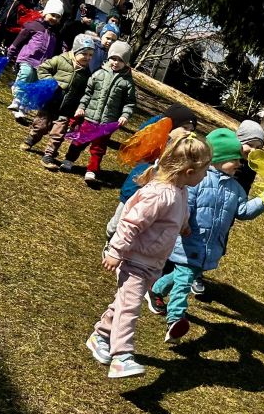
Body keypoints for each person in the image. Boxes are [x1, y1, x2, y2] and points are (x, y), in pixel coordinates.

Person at [85, 130, 212, 380]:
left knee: (124, 303)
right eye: (204, 170)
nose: (206, 175)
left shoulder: (180, 191)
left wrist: (184, 225)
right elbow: (130, 223)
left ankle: (100, 336)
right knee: (130, 307)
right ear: (189, 172)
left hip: (152, 262)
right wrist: (115, 251)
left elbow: (179, 213)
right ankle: (121, 357)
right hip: (134, 260)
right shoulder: (159, 194)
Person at [147, 128, 264, 342]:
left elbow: (242, 212)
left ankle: (155, 290)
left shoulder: (236, 188)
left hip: (210, 247)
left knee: (185, 274)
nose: (240, 164)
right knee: (184, 280)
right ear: (219, 159)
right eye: (235, 159)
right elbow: (185, 204)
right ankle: (175, 319)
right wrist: (183, 223)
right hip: (189, 241)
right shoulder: (199, 181)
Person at [191, 119, 264, 298]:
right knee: (197, 237)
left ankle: (196, 273)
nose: (253, 150)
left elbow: (244, 190)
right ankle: (182, 270)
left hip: (227, 209)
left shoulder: (250, 167)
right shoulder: (221, 157)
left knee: (215, 241)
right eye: (250, 144)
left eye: (259, 147)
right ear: (238, 140)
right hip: (206, 206)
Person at [105, 104, 199, 243]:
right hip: (135, 188)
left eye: (191, 130)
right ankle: (110, 235)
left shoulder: (182, 148)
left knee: (136, 224)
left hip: (154, 197)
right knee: (118, 221)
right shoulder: (154, 140)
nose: (188, 133)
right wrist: (163, 119)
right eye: (185, 128)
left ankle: (121, 244)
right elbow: (143, 133)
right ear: (170, 126)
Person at [60, 39, 136, 184]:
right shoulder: (98, 73)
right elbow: (87, 93)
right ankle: (68, 160)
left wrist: (125, 115)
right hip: (90, 117)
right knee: (79, 141)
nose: (116, 62)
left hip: (107, 122)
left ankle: (92, 170)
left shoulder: (127, 82)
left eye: (120, 60)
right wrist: (81, 107)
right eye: (113, 58)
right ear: (109, 57)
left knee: (98, 148)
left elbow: (129, 103)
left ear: (126, 62)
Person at [21, 33, 97, 165]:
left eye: (91, 55)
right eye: (84, 54)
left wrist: (80, 107)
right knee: (41, 126)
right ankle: (31, 139)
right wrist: (50, 82)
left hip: (67, 108)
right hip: (51, 102)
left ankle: (49, 155)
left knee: (59, 133)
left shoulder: (87, 73)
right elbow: (43, 69)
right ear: (75, 51)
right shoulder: (60, 60)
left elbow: (86, 92)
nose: (88, 57)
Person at [5, 0, 65, 121]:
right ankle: (17, 99)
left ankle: (22, 109)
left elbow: (57, 50)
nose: (54, 18)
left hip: (41, 65)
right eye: (52, 15)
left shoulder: (56, 34)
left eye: (58, 17)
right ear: (45, 13)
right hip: (27, 58)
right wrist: (11, 53)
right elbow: (19, 40)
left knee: (32, 85)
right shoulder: (34, 26)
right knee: (26, 75)